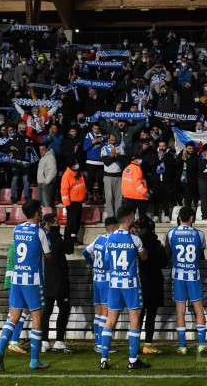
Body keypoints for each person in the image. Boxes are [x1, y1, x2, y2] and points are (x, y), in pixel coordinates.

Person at [0, 199, 53, 372]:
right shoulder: (41, 232)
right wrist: (46, 233)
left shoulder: (17, 229)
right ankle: (34, 360)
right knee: (37, 318)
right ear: (37, 213)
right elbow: (48, 255)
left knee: (13, 317)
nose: (41, 212)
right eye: (40, 210)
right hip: (33, 280)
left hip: (17, 279)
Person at [99, 205, 150, 370]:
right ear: (129, 218)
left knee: (110, 320)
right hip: (131, 284)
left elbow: (107, 260)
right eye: (133, 216)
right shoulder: (135, 239)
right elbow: (144, 257)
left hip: (114, 284)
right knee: (134, 319)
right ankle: (133, 360)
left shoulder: (110, 238)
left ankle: (103, 359)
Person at [166, 206, 207, 354]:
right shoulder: (200, 234)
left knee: (180, 311)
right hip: (194, 276)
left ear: (179, 218)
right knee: (199, 310)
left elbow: (169, 250)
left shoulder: (171, 233)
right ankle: (202, 344)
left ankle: (183, 347)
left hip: (178, 277)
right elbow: (201, 249)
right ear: (192, 218)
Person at [39, 213, 74, 354]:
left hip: (46, 279)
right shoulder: (57, 238)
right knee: (64, 309)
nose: (58, 225)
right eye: (57, 222)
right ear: (50, 224)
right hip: (59, 280)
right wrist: (69, 234)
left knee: (46, 311)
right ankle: (59, 341)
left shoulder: (41, 238)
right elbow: (69, 249)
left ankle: (44, 341)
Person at [83, 217, 116, 354]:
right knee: (105, 314)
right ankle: (102, 345)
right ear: (113, 229)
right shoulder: (110, 240)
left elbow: (85, 252)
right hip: (106, 281)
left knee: (98, 313)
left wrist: (93, 266)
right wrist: (109, 267)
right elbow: (108, 258)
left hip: (96, 279)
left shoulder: (99, 240)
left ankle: (97, 343)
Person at [137, 216, 169, 355]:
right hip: (154, 281)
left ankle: (134, 344)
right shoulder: (156, 244)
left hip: (139, 281)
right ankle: (148, 344)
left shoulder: (136, 242)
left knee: (138, 315)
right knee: (151, 314)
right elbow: (164, 262)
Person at [60, 159, 86, 245]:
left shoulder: (77, 173)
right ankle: (69, 239)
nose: (77, 164)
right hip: (72, 202)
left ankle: (74, 238)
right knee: (72, 222)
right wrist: (67, 204)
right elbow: (64, 191)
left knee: (77, 221)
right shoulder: (67, 175)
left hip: (79, 201)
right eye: (75, 163)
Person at [122, 153, 149, 221]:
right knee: (142, 216)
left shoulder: (127, 168)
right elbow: (137, 183)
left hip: (129, 195)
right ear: (136, 159)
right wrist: (144, 192)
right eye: (139, 159)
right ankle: (142, 228)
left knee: (131, 215)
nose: (141, 160)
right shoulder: (137, 168)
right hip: (138, 195)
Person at [37, 143, 57, 209]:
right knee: (40, 201)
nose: (41, 151)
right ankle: (41, 216)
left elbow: (53, 171)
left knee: (46, 201)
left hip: (46, 183)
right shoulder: (43, 157)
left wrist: (46, 181)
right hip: (40, 182)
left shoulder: (50, 157)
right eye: (40, 150)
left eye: (43, 149)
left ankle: (47, 217)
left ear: (47, 149)